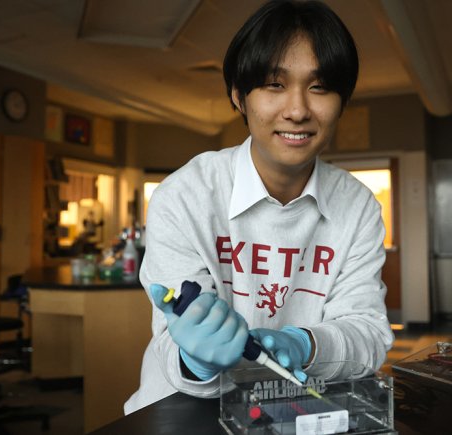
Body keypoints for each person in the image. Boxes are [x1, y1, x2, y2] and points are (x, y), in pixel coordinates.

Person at [124, 0, 394, 413]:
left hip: (298, 411)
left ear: (343, 101)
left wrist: (304, 344)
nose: (298, 110)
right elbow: (170, 348)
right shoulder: (184, 195)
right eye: (274, 84)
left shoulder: (357, 206)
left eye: (319, 87)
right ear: (238, 96)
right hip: (182, 415)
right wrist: (196, 358)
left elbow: (369, 335)